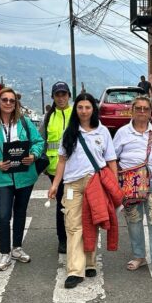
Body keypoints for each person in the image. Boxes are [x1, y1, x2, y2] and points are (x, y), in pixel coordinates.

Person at [47, 93, 118, 288]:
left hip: (95, 183)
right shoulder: (69, 132)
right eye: (80, 107)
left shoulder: (102, 132)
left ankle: (89, 263)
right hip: (72, 185)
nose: (84, 111)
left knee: (92, 223)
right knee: (73, 225)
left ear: (93, 109)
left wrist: (115, 185)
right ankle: (75, 271)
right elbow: (61, 160)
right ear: (75, 109)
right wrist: (55, 185)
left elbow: (111, 160)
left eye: (87, 107)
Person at [0, 87, 44, 271]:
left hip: (25, 176)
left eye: (12, 101)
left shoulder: (24, 122)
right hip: (3, 178)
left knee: (20, 213)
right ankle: (4, 252)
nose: (8, 103)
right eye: (4, 100)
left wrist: (33, 155)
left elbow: (39, 142)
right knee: (3, 215)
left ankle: (17, 248)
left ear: (16, 104)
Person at [114, 95, 152, 276]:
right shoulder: (122, 133)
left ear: (151, 112)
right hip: (130, 187)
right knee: (134, 222)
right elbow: (112, 159)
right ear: (132, 111)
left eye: (145, 109)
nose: (142, 111)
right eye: (138, 108)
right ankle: (139, 256)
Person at [40, 81, 74, 254]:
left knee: (74, 205)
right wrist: (43, 164)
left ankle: (75, 237)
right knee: (61, 204)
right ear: (53, 97)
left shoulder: (76, 113)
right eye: (57, 95)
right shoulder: (48, 117)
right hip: (54, 170)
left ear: (69, 95)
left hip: (75, 170)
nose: (61, 98)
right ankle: (63, 239)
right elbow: (41, 140)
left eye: (64, 94)